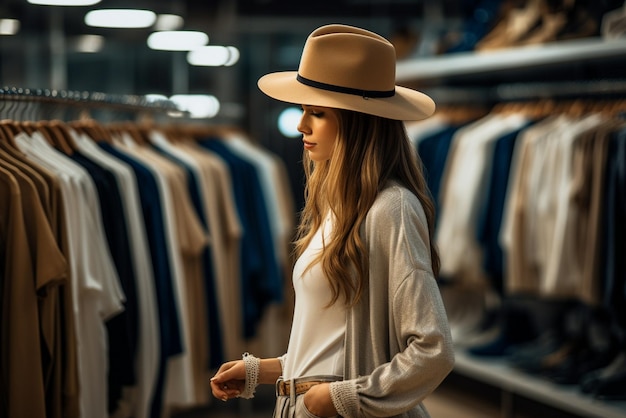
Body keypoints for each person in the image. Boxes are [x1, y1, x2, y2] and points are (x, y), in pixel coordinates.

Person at [210, 23, 455, 417]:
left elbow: (433, 349)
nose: (300, 125)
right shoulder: (339, 208)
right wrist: (265, 371)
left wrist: (347, 398)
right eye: (303, 110)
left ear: (358, 121)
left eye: (317, 113)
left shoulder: (391, 208)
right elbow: (333, 346)